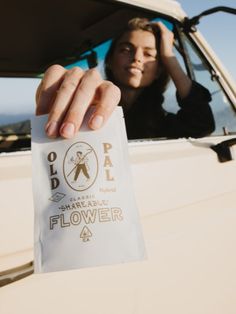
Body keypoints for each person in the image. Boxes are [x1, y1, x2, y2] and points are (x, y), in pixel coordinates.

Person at [36, 18, 215, 140]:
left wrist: (168, 57)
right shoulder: (88, 114)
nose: (137, 57)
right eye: (126, 49)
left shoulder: (165, 125)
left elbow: (203, 124)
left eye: (148, 54)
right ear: (111, 61)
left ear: (159, 70)